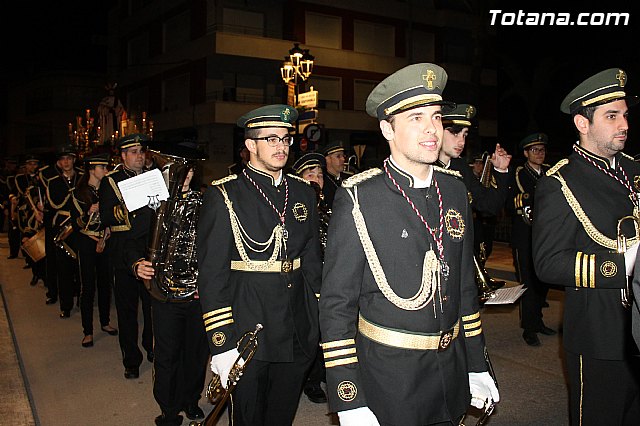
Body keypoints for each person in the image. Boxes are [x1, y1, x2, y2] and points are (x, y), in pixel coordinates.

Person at [319, 63, 499, 426]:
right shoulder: (359, 197)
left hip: (451, 369)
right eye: (415, 117)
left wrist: (476, 365)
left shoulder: (453, 189)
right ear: (387, 128)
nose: (432, 128)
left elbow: (463, 286)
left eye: (435, 116)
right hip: (391, 379)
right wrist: (347, 395)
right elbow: (337, 304)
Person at [197, 104, 323, 426]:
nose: (281, 146)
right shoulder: (225, 195)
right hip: (248, 327)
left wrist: (323, 318)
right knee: (250, 417)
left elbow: (311, 259)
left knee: (282, 414)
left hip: (297, 324)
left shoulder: (303, 192)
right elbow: (212, 275)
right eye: (271, 139)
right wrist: (221, 344)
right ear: (250, 145)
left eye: (285, 139)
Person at [533, 68, 640, 425]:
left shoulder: (634, 168)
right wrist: (624, 264)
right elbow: (548, 263)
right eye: (611, 116)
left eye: (624, 114)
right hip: (601, 335)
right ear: (582, 122)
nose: (623, 124)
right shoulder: (561, 181)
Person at [128, 141, 210, 426]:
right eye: (175, 168)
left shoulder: (207, 201)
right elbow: (128, 241)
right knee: (166, 354)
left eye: (188, 170)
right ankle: (169, 408)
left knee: (197, 353)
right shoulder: (149, 200)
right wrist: (136, 263)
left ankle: (191, 399)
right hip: (163, 291)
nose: (182, 175)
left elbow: (217, 247)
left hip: (197, 292)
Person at [436, 103, 511, 292]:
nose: (461, 141)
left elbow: (488, 206)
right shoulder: (423, 168)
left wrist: (501, 171)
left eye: (465, 135)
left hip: (460, 258)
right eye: (455, 133)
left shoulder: (461, 168)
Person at [99, 134, 154, 379]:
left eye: (141, 150)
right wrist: (135, 202)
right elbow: (108, 216)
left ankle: (151, 346)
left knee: (153, 306)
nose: (139, 155)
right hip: (123, 253)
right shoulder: (111, 181)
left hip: (150, 249)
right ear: (122, 156)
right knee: (127, 310)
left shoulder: (153, 177)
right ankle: (131, 359)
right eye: (133, 151)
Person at [508, 133, 555, 346]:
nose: (539, 153)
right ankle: (529, 328)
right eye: (535, 150)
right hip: (525, 235)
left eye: (542, 150)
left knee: (543, 280)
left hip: (545, 235)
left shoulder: (549, 172)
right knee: (528, 283)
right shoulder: (520, 173)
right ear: (526, 153)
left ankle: (538, 322)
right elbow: (522, 197)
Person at [292, 151, 329, 404]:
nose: (316, 179)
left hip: (328, 280)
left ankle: (325, 373)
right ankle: (310, 380)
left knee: (326, 332)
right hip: (303, 282)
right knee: (307, 333)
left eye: (319, 175)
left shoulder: (329, 209)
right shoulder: (295, 211)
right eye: (309, 174)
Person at [71, 152, 117, 348]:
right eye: (102, 168)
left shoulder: (107, 190)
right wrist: (87, 211)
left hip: (105, 240)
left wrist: (105, 236)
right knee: (88, 286)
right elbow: (75, 223)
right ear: (92, 169)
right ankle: (87, 331)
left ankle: (105, 322)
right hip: (87, 242)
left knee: (105, 284)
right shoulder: (78, 193)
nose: (105, 171)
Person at [39, 144, 83, 316]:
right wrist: (72, 194)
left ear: (73, 160)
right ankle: (66, 305)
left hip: (80, 225)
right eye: (63, 159)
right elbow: (55, 204)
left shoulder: (83, 178)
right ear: (59, 162)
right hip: (62, 228)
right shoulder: (53, 182)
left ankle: (81, 298)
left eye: (69, 158)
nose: (66, 162)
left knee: (80, 266)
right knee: (63, 268)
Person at [14, 154, 46, 286]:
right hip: (29, 215)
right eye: (30, 164)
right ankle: (35, 273)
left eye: (35, 164)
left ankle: (44, 275)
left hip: (43, 215)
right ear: (26, 166)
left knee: (43, 248)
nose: (33, 166)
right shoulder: (20, 179)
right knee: (30, 245)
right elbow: (21, 194)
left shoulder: (43, 180)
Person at [321, 139, 353, 209]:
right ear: (327, 159)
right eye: (338, 156)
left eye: (343, 156)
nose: (343, 159)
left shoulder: (350, 178)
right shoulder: (322, 181)